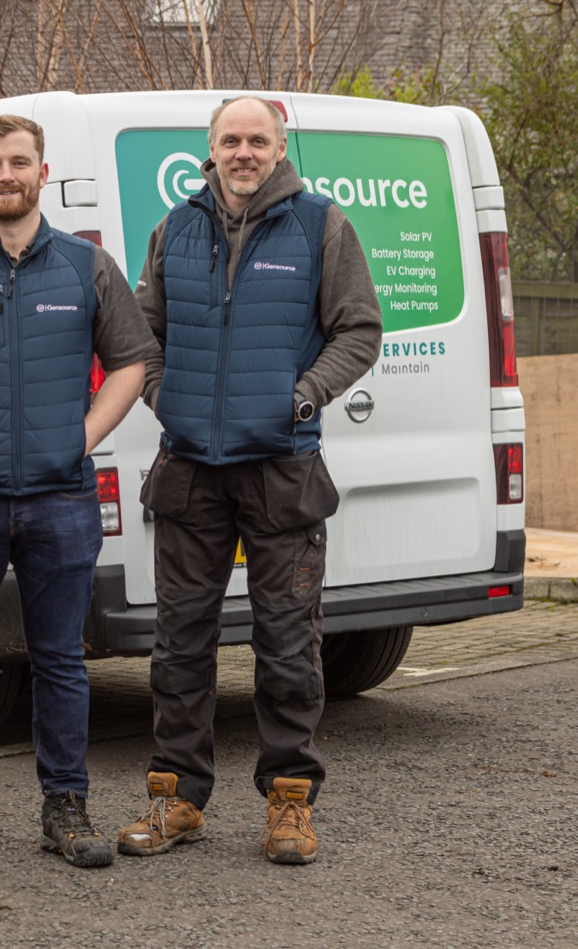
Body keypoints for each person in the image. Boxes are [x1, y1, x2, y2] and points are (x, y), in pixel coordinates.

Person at [117, 96, 382, 865]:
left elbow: (359, 327)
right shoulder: (177, 226)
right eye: (230, 139)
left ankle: (289, 805)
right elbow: (142, 331)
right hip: (190, 470)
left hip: (281, 468)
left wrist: (304, 394)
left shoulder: (321, 225)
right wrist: (166, 394)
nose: (243, 152)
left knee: (290, 646)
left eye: (256, 140)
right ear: (211, 147)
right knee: (179, 646)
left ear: (278, 146)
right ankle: (177, 799)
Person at [0, 114, 157, 872]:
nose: (5, 174)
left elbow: (135, 361)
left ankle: (66, 807)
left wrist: (81, 438)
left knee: (59, 660)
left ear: (41, 172)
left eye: (18, 161)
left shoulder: (86, 267)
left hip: (62, 495)